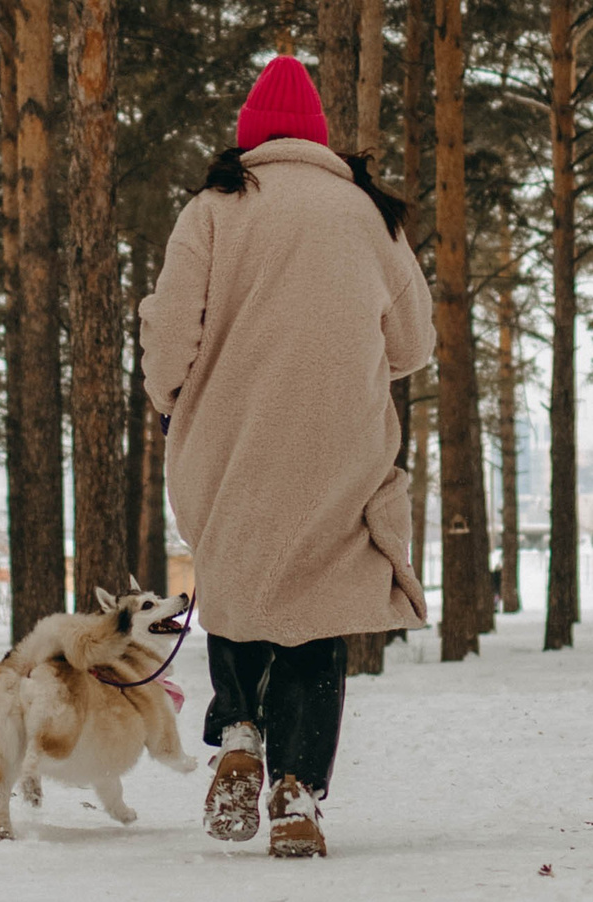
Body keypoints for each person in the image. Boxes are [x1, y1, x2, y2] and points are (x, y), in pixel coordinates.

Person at [137, 55, 433, 860]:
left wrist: (170, 399)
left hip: (229, 434)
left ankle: (236, 733)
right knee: (315, 608)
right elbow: (412, 343)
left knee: (236, 583)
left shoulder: (213, 208)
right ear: (320, 140)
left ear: (248, 140)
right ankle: (296, 788)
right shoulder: (368, 214)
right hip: (338, 442)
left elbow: (169, 337)